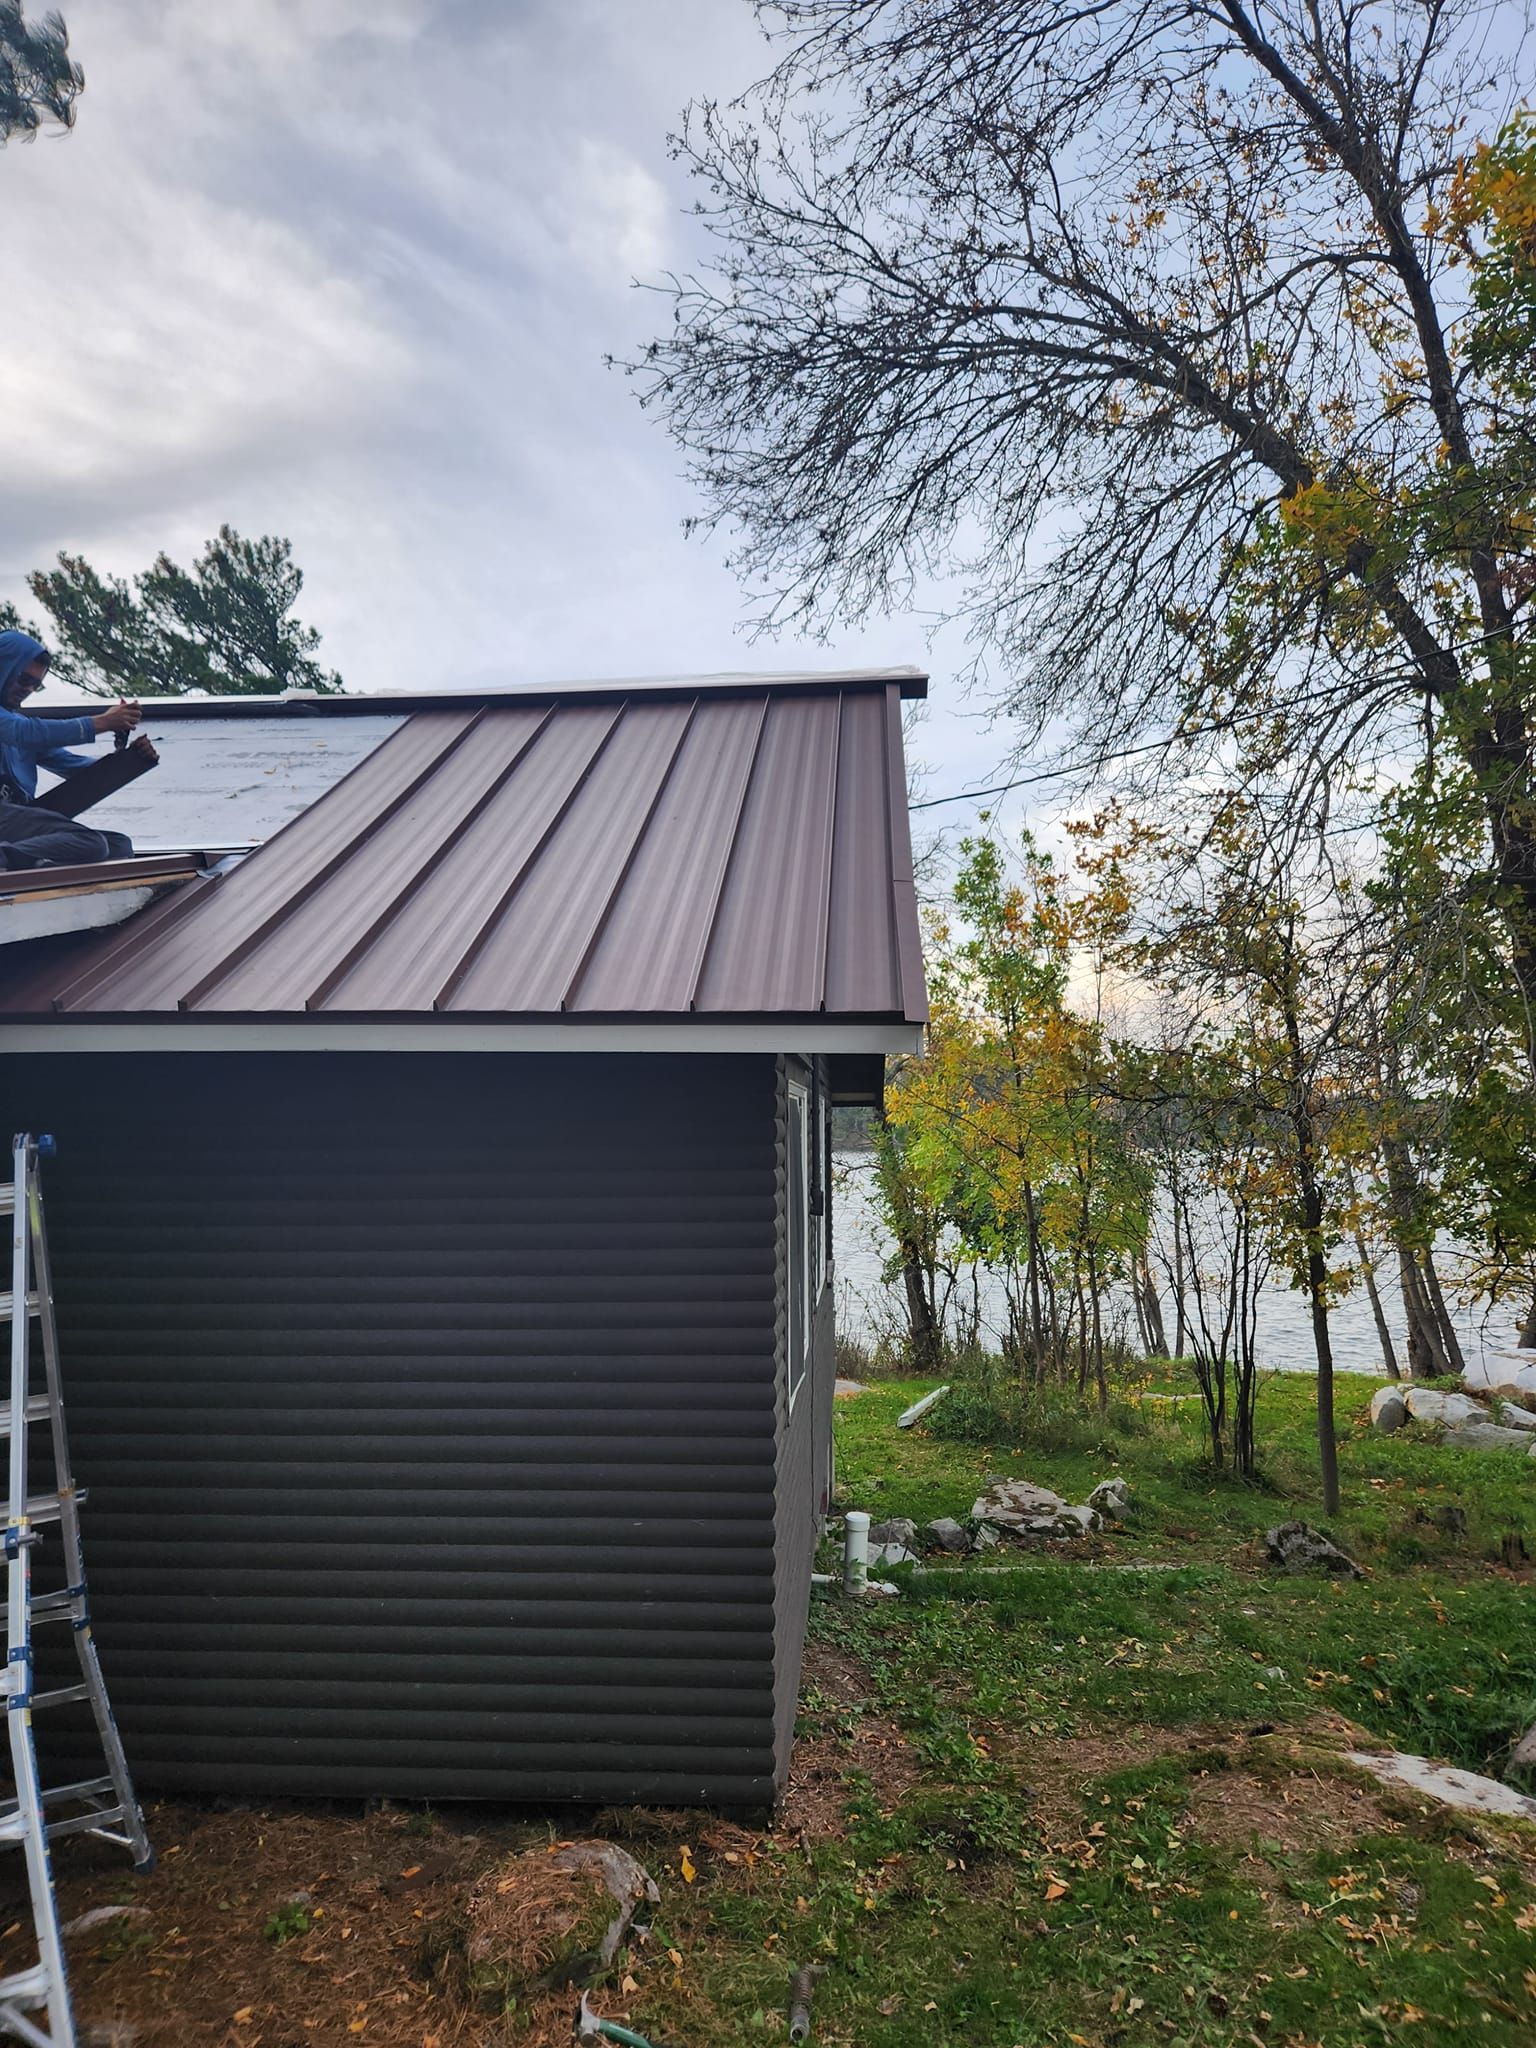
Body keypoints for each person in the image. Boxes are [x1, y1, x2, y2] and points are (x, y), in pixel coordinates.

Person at [0, 631, 141, 870]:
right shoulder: (17, 727)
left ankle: (29, 862)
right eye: (24, 679)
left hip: (13, 819)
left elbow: (74, 767)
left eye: (36, 684)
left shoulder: (18, 725)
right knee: (91, 843)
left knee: (118, 845)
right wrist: (103, 723)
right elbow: (25, 732)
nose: (28, 689)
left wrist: (125, 760)